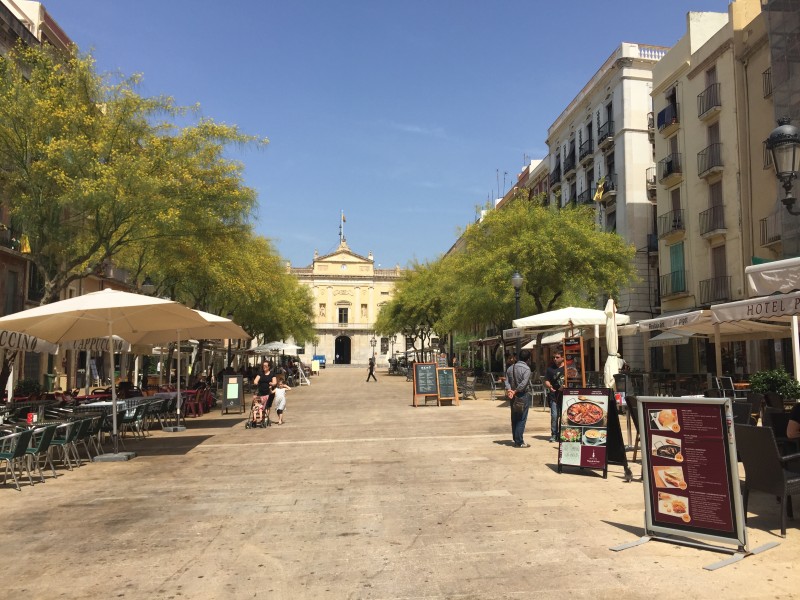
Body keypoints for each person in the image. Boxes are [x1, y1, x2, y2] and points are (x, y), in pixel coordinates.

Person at [504, 349, 532, 448]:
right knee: (521, 418)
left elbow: (506, 381)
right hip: (522, 395)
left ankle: (516, 438)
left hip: (512, 396)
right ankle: (519, 441)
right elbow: (524, 384)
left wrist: (509, 390)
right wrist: (515, 391)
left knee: (514, 417)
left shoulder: (511, 368)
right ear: (528, 359)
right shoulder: (527, 369)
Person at [545, 351, 565, 443]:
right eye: (554, 357)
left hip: (565, 396)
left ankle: (562, 434)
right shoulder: (550, 369)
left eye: (557, 357)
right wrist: (549, 386)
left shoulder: (567, 368)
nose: (555, 359)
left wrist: (564, 386)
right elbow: (547, 381)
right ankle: (554, 434)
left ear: (562, 358)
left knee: (563, 416)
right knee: (554, 416)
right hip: (554, 396)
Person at [253, 360, 277, 425]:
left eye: (266, 366)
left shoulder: (272, 373)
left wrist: (272, 383)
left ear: (269, 367)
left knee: (267, 406)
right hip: (261, 392)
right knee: (261, 405)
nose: (264, 367)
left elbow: (275, 382)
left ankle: (266, 418)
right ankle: (262, 418)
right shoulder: (260, 373)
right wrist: (255, 382)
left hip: (269, 392)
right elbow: (255, 380)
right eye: (263, 366)